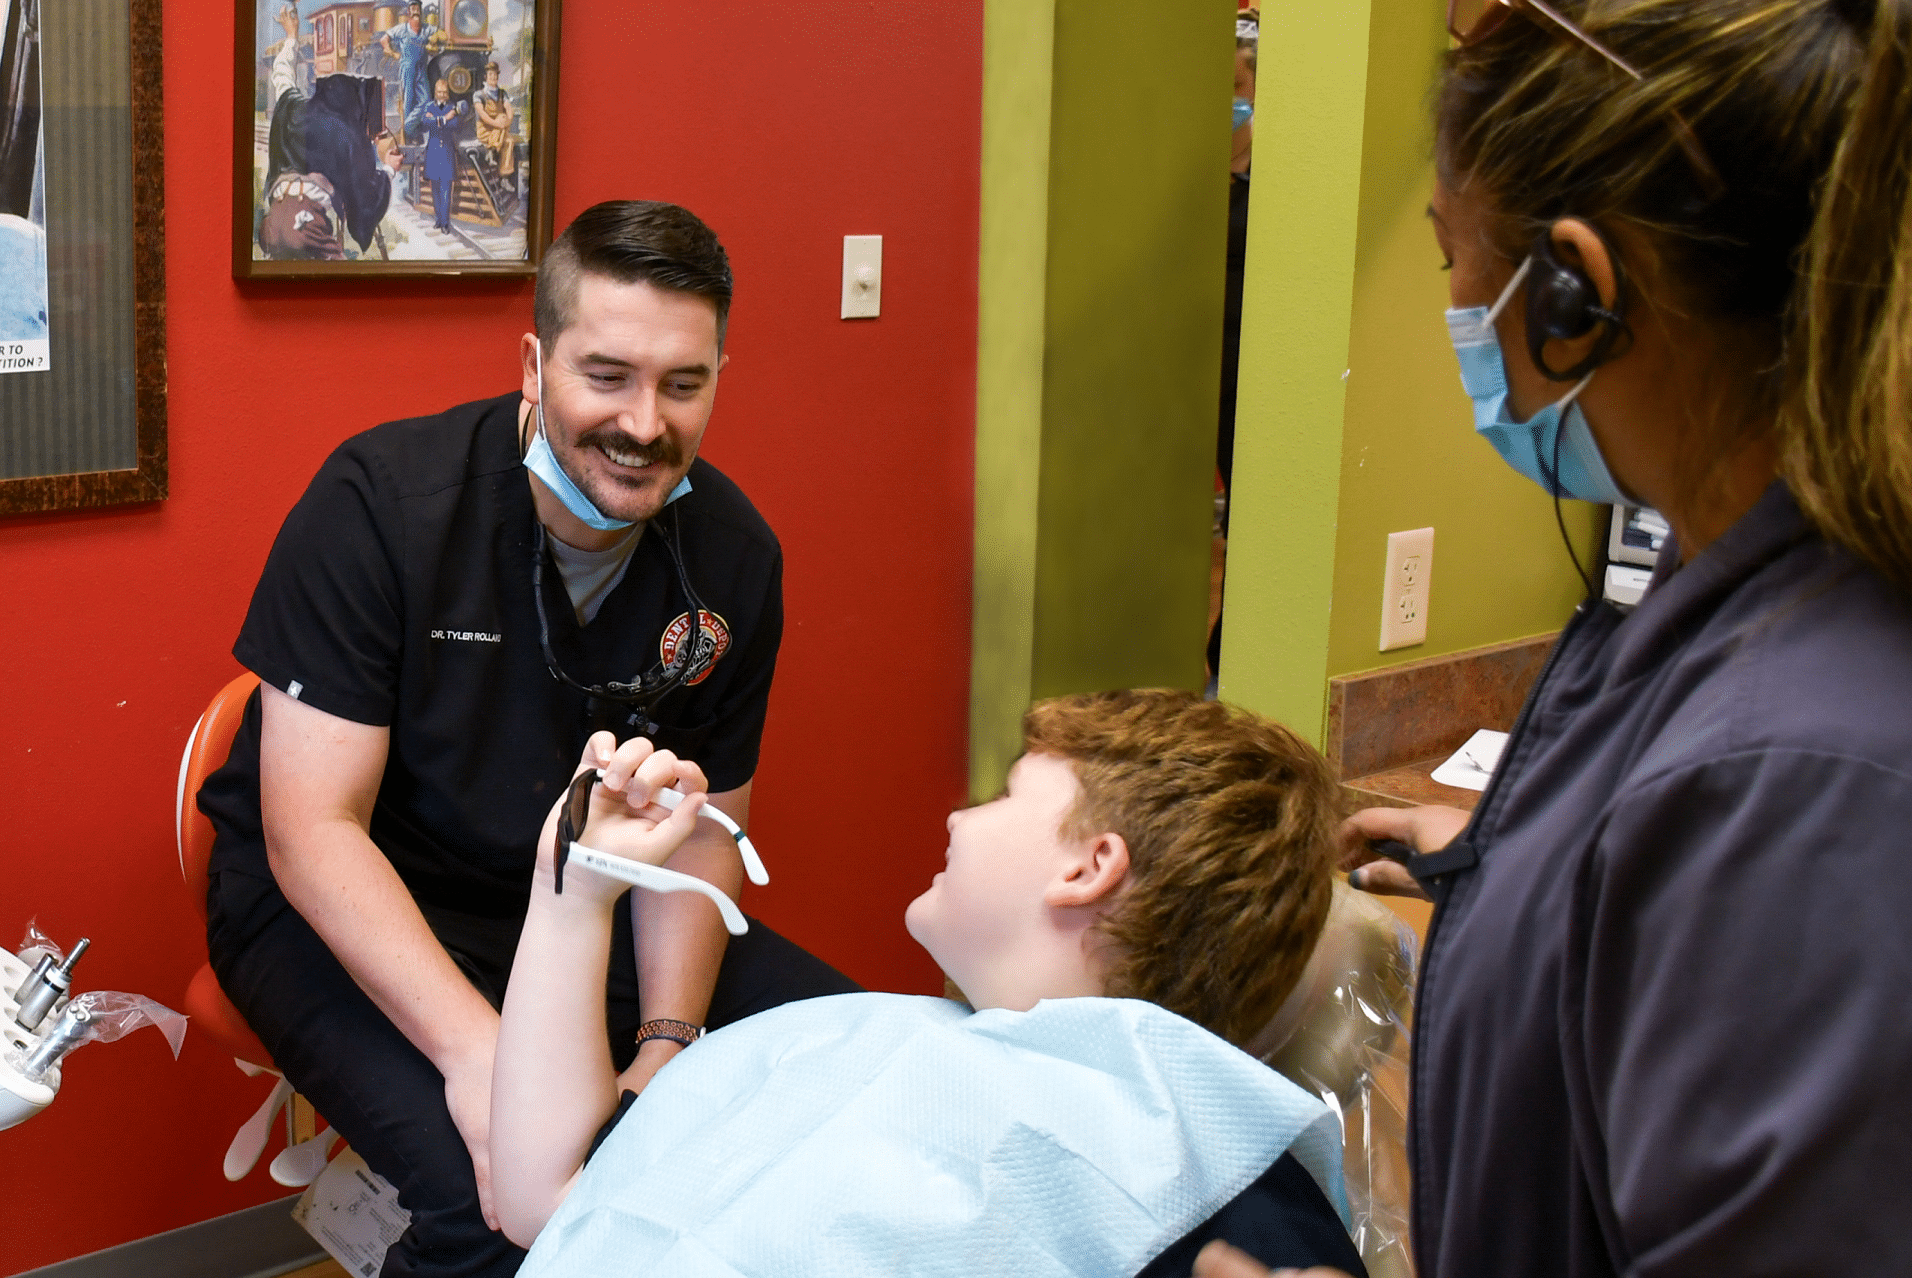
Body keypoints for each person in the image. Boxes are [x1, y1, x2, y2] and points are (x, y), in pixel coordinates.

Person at [1309, 3, 1912, 1277]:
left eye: (1450, 259)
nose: (1459, 307)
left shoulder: (1792, 780)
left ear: (1576, 289)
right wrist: (1528, 859)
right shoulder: (1721, 609)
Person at [199, 200, 857, 1278]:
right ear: (533, 363)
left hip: (577, 906)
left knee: (837, 1074)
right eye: (607, 375)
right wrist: (485, 1061)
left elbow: (702, 841)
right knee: (492, 1207)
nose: (645, 423)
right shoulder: (383, 505)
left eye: (683, 384)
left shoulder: (732, 555)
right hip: (341, 897)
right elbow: (311, 831)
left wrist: (665, 1050)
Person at [492, 689, 1370, 1277]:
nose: (958, 815)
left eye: (1005, 793)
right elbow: (550, 1204)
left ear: (1089, 867)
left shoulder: (1223, 1217)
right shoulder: (864, 1045)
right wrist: (573, 888)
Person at [409, 77, 464, 234]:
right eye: (439, 92)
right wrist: (444, 119)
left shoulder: (453, 106)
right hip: (433, 153)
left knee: (446, 190)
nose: (442, 95)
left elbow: (456, 125)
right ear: (435, 92)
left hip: (446, 153)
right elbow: (425, 124)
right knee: (435, 190)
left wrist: (436, 120)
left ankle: (445, 223)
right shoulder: (429, 106)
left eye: (445, 92)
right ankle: (438, 220)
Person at [380, 1, 434, 140]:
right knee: (408, 101)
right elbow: (384, 39)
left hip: (421, 68)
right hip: (407, 68)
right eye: (413, 8)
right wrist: (391, 52)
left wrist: (436, 38)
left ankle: (408, 127)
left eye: (418, 8)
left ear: (421, 11)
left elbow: (441, 33)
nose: (416, 11)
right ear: (409, 12)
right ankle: (411, 135)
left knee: (426, 101)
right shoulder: (402, 29)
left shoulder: (427, 29)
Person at [470, 62, 516, 193]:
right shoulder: (478, 95)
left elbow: (509, 111)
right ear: (486, 77)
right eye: (490, 74)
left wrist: (506, 121)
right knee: (501, 117)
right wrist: (499, 123)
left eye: (495, 74)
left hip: (500, 131)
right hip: (485, 131)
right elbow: (483, 115)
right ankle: (492, 147)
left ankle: (504, 177)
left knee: (509, 141)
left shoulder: (502, 93)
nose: (493, 77)